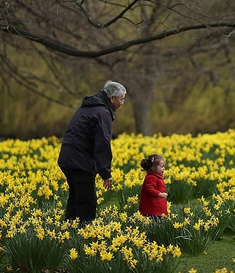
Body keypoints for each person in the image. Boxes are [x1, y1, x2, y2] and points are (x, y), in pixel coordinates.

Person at [58, 80, 127, 223]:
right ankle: (85, 235)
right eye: (121, 99)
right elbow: (102, 143)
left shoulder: (88, 107)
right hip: (79, 161)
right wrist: (105, 173)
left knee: (76, 197)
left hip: (67, 158)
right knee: (87, 202)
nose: (122, 103)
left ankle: (69, 230)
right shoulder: (102, 112)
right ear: (112, 98)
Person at [139, 154, 168, 218]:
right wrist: (160, 194)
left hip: (157, 209)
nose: (164, 168)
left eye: (164, 166)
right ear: (153, 168)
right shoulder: (151, 177)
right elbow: (149, 189)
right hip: (152, 210)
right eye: (161, 166)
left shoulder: (157, 177)